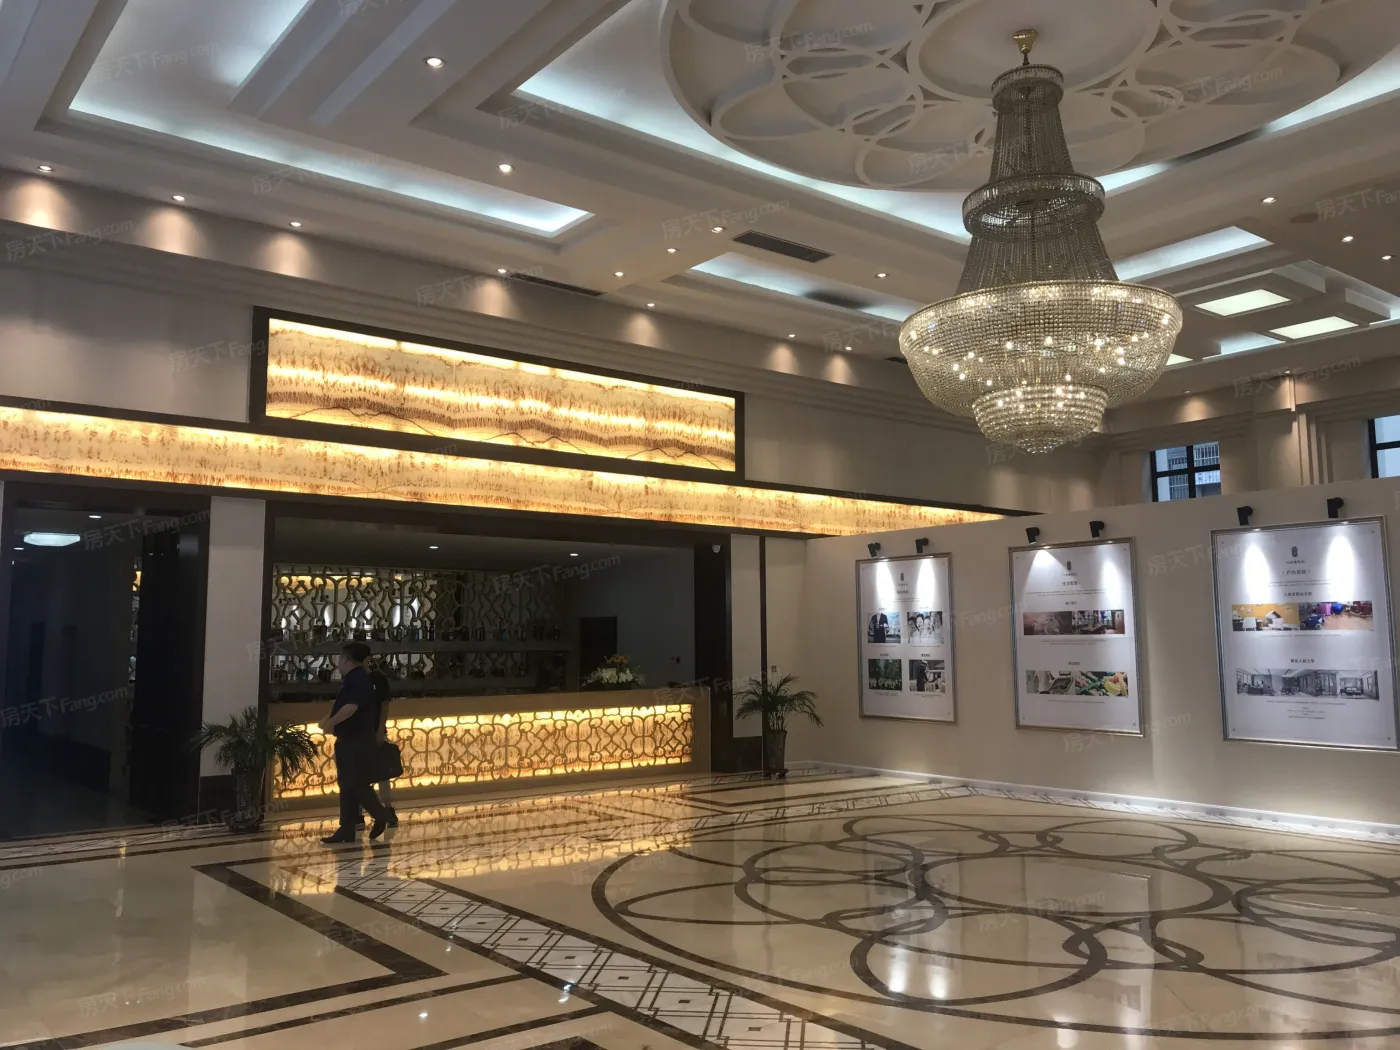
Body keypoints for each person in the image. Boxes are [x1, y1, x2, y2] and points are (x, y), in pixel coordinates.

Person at [319, 642, 390, 844]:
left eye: (340, 658)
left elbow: (350, 708)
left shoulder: (358, 679)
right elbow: (341, 705)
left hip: (356, 740)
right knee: (347, 784)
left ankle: (382, 814)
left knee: (356, 783)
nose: (338, 662)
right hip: (349, 739)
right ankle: (347, 828)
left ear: (347, 659)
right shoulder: (352, 679)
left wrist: (330, 723)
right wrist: (327, 720)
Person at [370, 662, 399, 827]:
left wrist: (380, 731)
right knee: (365, 776)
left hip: (375, 732)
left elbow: (384, 704)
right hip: (363, 733)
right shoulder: (357, 678)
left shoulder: (376, 679)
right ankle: (380, 812)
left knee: (381, 774)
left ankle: (386, 810)